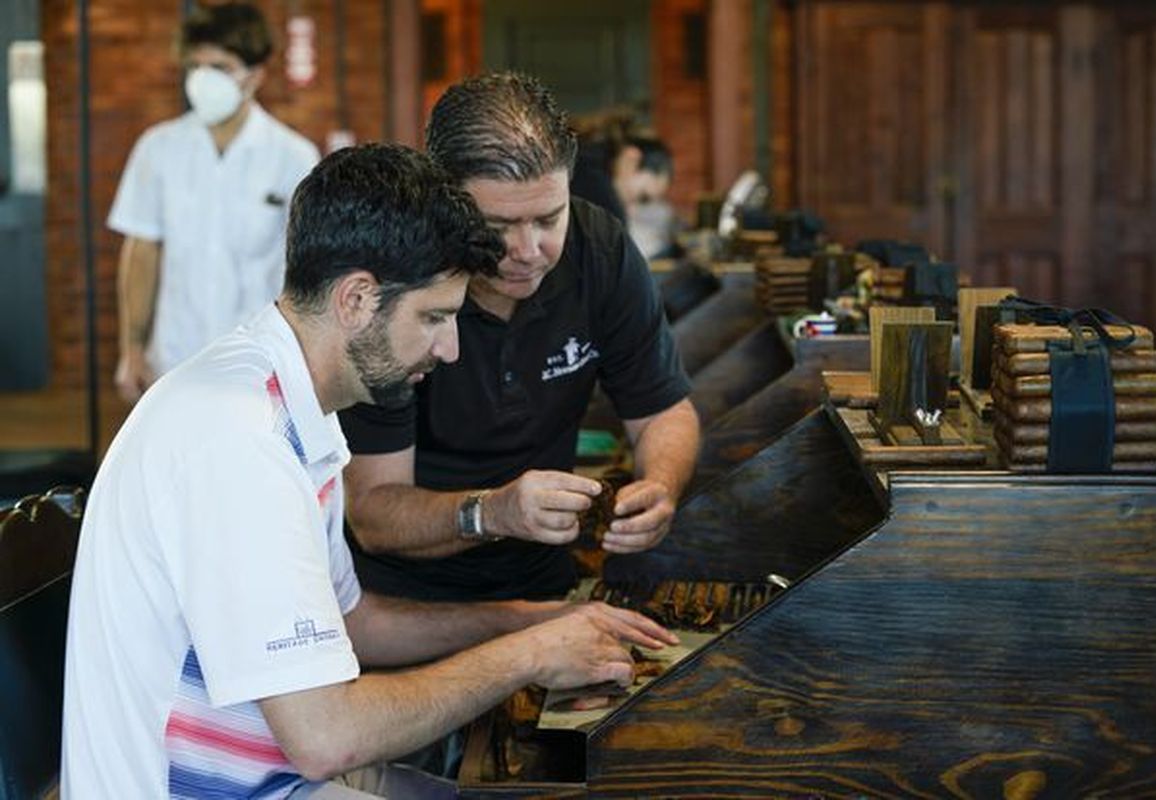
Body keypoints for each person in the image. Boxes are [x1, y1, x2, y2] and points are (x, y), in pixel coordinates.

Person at [61, 143, 675, 799]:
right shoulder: (239, 441)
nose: (450, 347)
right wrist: (528, 656)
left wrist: (528, 620)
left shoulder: (293, 403)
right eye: (435, 317)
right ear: (357, 298)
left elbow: (352, 624)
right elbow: (326, 737)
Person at [339, 73, 701, 603]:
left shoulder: (600, 253)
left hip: (540, 577)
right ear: (444, 203)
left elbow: (664, 411)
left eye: (548, 218)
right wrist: (493, 511)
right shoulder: (395, 283)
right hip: (396, 597)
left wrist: (661, 486)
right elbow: (372, 512)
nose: (528, 249)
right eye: (497, 226)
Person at [109, 2, 320, 404]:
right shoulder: (158, 148)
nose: (203, 79)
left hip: (262, 367)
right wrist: (132, 348)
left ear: (255, 75)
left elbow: (310, 266)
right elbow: (142, 252)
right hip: (173, 362)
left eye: (220, 67)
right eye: (195, 66)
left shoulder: (294, 156)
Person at [570, 110, 674, 227]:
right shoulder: (604, 204)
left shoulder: (581, 154)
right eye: (642, 197)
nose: (632, 210)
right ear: (632, 159)